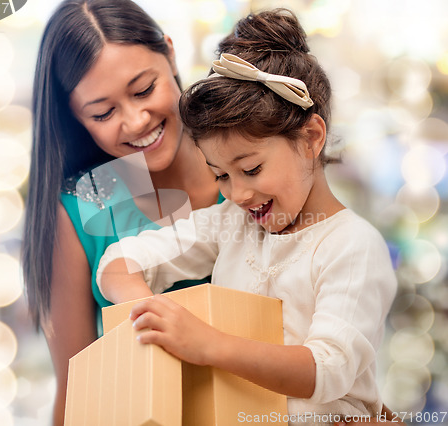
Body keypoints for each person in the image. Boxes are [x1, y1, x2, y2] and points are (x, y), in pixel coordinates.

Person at [97, 8, 399, 425]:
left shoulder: (351, 245)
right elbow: (118, 263)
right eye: (220, 175)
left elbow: (327, 370)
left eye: (252, 169)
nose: (238, 194)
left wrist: (208, 344)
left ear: (311, 137)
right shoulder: (230, 224)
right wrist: (149, 313)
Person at [21, 1, 220, 424]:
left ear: (169, 53)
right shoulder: (84, 207)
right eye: (103, 112)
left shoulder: (249, 162)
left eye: (144, 90)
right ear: (77, 118)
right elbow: (76, 395)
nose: (135, 121)